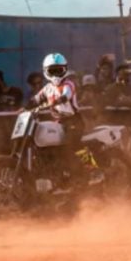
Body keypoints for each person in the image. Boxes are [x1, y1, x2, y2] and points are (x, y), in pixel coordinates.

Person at [26, 52, 88, 189]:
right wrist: (24, 108)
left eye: (58, 70)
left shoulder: (69, 84)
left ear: (64, 70)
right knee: (52, 149)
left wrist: (54, 102)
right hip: (59, 123)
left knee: (72, 147)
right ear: (46, 72)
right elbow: (35, 100)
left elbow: (66, 95)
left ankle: (89, 171)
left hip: (73, 122)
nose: (55, 75)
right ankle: (59, 176)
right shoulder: (47, 88)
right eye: (52, 71)